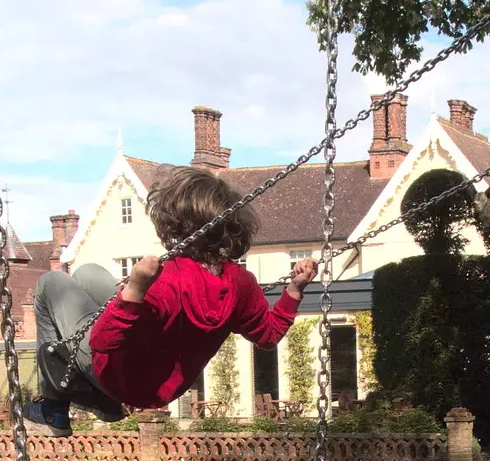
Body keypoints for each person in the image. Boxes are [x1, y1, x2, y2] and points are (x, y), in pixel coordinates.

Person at [23, 167, 319, 436]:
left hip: (118, 376)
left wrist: (135, 289)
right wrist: (294, 289)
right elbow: (268, 336)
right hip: (164, 389)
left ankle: (55, 407)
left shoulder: (165, 280)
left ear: (174, 223)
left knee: (52, 283)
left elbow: (104, 342)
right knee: (88, 273)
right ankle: (103, 403)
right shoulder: (241, 282)